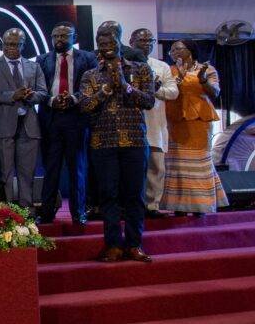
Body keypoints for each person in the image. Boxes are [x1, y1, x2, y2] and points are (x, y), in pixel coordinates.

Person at [79, 31, 155, 263]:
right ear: (98, 47)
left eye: (111, 42)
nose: (107, 46)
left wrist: (125, 86)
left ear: (119, 44)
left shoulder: (140, 69)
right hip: (103, 142)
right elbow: (85, 105)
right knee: (108, 196)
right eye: (102, 43)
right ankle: (112, 245)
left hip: (134, 141)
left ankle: (134, 244)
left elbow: (149, 101)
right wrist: (106, 90)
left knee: (135, 196)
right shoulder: (90, 75)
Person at [35, 22, 98, 225]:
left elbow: (93, 86)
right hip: (50, 118)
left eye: (64, 36)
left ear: (74, 36)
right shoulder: (42, 59)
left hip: (76, 118)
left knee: (76, 168)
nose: (59, 40)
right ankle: (46, 212)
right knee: (50, 168)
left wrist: (75, 98)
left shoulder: (88, 58)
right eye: (55, 36)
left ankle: (78, 212)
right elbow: (39, 88)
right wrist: (50, 100)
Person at [0, 29, 49, 210]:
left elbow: (43, 94)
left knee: (27, 173)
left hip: (29, 126)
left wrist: (30, 96)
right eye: (8, 44)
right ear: (2, 44)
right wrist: (13, 95)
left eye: (16, 44)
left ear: (23, 45)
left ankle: (27, 211)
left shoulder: (33, 66)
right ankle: (8, 211)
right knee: (4, 172)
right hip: (3, 125)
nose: (11, 48)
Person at [161, 40, 229, 216]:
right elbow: (167, 91)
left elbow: (215, 92)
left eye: (178, 48)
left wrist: (203, 80)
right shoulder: (169, 70)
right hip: (175, 121)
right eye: (172, 49)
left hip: (199, 121)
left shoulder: (207, 69)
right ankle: (179, 207)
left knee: (199, 163)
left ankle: (201, 206)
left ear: (189, 50)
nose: (174, 51)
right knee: (177, 166)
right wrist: (180, 75)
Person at [130, 29, 179, 218]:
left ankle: (152, 206)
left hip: (155, 125)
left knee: (156, 167)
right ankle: (134, 206)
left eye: (150, 41)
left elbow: (173, 92)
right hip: (132, 125)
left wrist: (155, 90)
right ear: (131, 41)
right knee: (134, 170)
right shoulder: (126, 65)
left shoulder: (161, 66)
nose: (147, 44)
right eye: (142, 40)